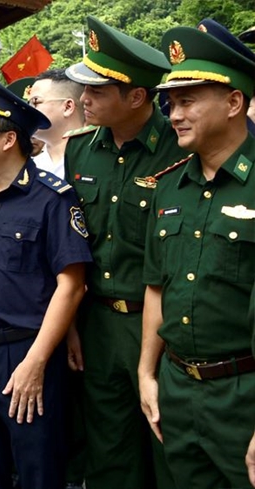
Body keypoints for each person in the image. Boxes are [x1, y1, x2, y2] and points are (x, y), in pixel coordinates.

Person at [0, 70, 92, 489]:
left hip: (25, 352)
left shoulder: (53, 198)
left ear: (9, 139)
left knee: (37, 469)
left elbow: (72, 284)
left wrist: (37, 361)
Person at [63, 16, 188, 489]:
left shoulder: (180, 148)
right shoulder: (79, 151)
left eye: (96, 91)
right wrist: (73, 324)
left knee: (167, 450)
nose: (82, 101)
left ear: (137, 97)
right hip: (97, 323)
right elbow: (75, 245)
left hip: (161, 325)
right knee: (110, 455)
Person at [137, 24, 255, 489]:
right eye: (171, 102)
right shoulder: (169, 186)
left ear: (233, 103)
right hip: (177, 390)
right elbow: (155, 287)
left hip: (243, 394)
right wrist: (147, 373)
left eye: (188, 101)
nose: (174, 115)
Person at [28, 69, 85, 178]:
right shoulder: (29, 168)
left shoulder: (99, 162)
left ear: (68, 107)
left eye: (35, 102)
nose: (28, 109)